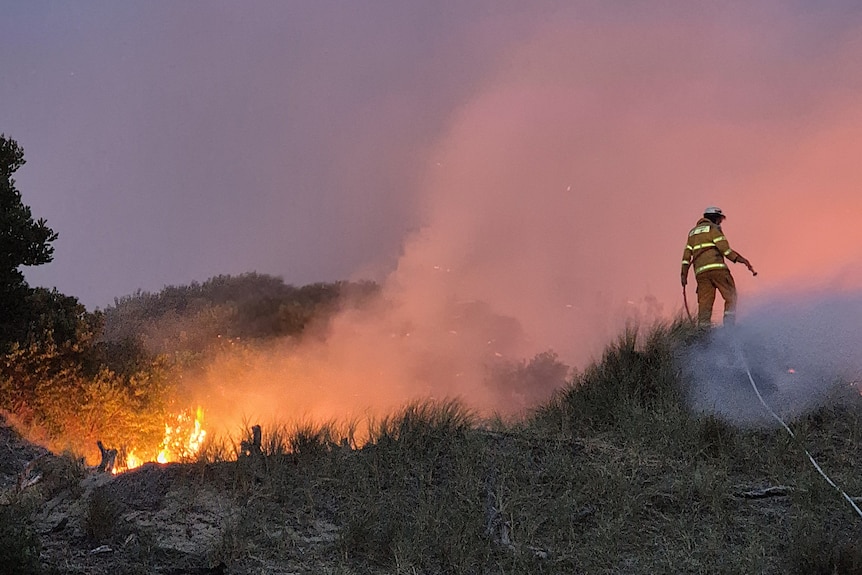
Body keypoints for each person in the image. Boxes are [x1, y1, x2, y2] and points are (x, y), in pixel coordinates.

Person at [681, 206, 755, 326]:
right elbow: (725, 250)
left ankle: (703, 333)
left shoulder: (692, 233)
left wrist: (683, 275)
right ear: (715, 218)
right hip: (718, 270)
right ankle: (729, 327)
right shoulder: (713, 228)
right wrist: (742, 260)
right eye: (720, 219)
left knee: (705, 304)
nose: (720, 222)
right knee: (731, 296)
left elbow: (686, 257)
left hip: (701, 274)